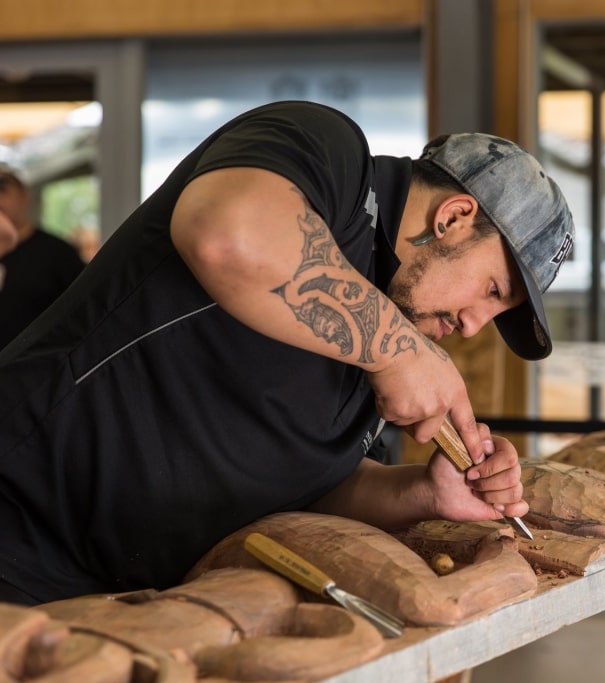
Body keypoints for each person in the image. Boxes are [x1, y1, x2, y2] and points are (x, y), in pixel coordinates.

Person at [0, 100, 575, 605]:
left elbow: (308, 486)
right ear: (452, 218)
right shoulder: (330, 157)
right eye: (492, 291)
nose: (474, 325)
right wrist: (400, 353)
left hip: (122, 601)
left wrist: (419, 492)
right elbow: (227, 233)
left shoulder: (390, 330)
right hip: (20, 527)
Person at [0, 161, 86, 349]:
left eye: (2, 187)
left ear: (24, 197)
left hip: (36, 369)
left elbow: (85, 311)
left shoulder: (57, 253)